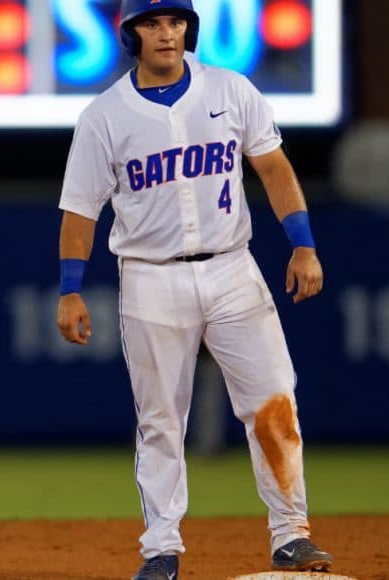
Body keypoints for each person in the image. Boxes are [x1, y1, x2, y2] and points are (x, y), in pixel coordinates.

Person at [54, 1, 334, 578]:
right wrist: (70, 288)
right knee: (160, 419)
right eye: (152, 23)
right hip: (151, 276)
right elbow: (81, 209)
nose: (166, 33)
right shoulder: (104, 116)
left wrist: (302, 244)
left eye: (176, 22)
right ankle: (161, 548)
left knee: (273, 398)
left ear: (190, 29)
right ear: (132, 34)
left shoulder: (231, 90)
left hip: (233, 267)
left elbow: (275, 169)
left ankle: (291, 533)